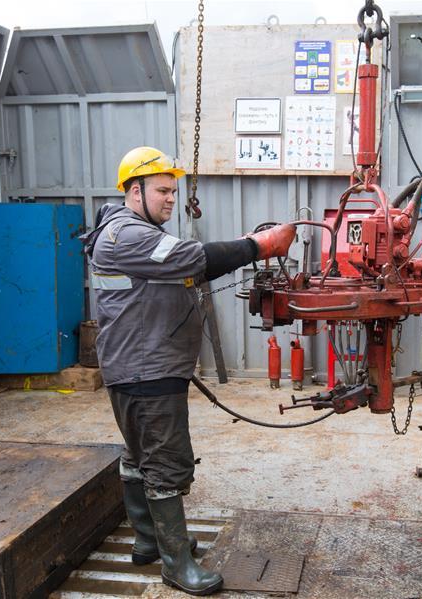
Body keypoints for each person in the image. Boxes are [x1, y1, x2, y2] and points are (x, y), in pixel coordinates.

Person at [81, 146, 295, 596]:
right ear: (134, 191)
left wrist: (238, 248)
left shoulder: (129, 232)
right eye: (162, 190)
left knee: (139, 456)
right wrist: (258, 246)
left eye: (172, 191)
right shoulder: (128, 235)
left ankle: (148, 540)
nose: (170, 199)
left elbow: (183, 267)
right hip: (146, 371)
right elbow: (193, 259)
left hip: (138, 365)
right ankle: (177, 565)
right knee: (165, 464)